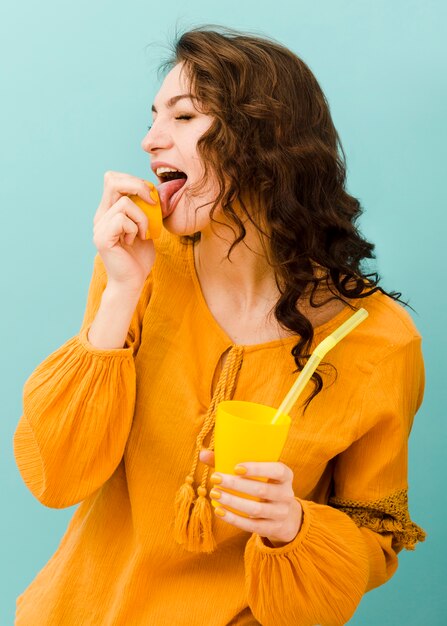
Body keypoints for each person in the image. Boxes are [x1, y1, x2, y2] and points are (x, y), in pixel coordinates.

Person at [13, 25, 426, 626]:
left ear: (267, 138)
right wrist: (122, 291)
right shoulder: (140, 264)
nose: (150, 140)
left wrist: (295, 527)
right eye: (154, 117)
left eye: (183, 117)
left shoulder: (380, 342)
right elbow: (55, 476)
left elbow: (372, 539)